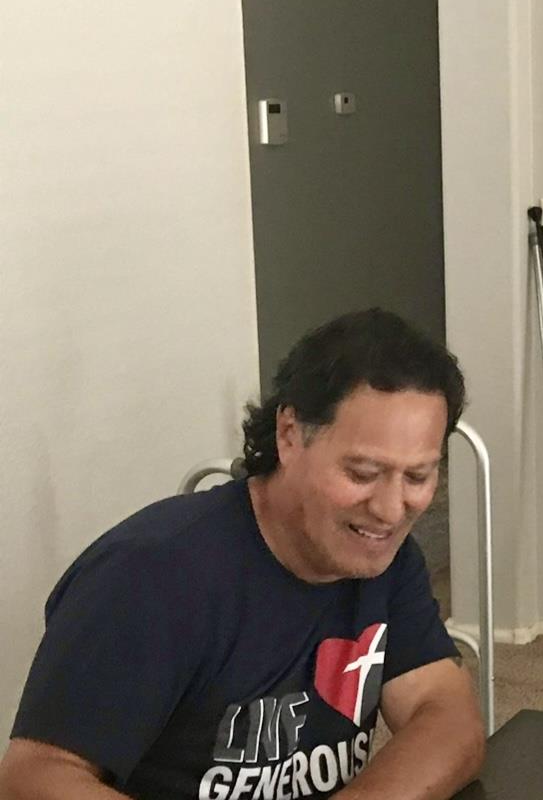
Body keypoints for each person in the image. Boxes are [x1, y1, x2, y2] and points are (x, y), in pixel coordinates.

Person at [0, 308, 485, 800]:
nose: (389, 508)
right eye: (361, 473)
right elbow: (33, 778)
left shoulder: (382, 554)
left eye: (418, 477)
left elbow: (447, 716)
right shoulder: (152, 575)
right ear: (290, 434)